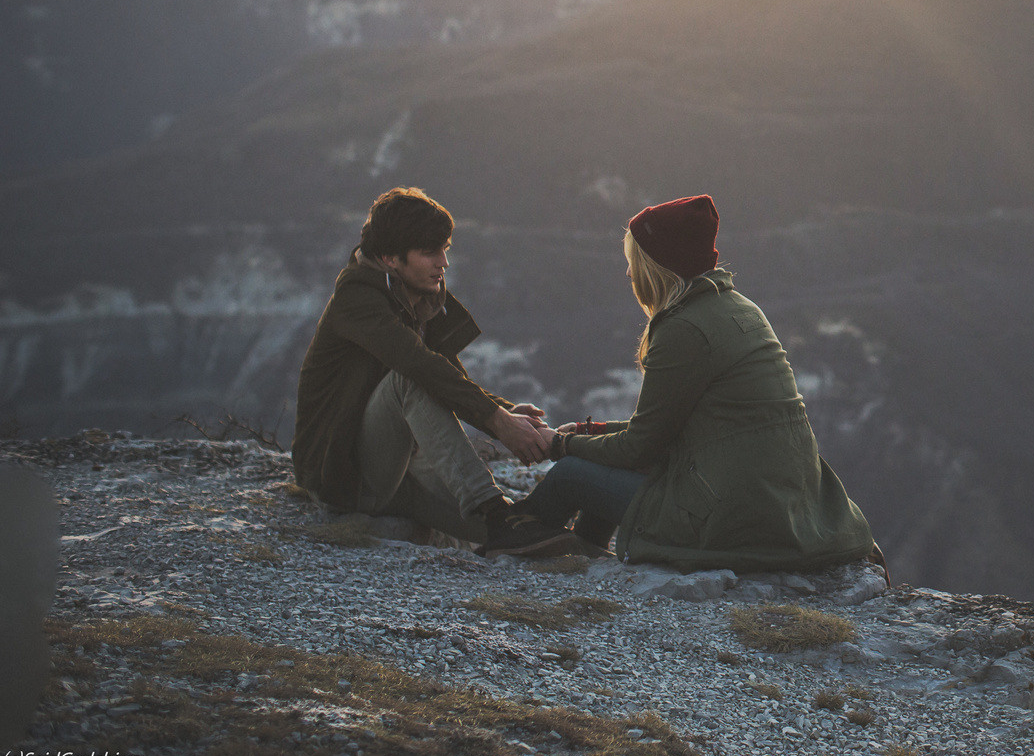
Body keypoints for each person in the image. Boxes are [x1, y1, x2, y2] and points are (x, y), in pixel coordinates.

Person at [518, 194, 878, 573]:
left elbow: (640, 450)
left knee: (570, 476)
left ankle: (509, 545)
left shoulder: (683, 329)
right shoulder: (739, 307)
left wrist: (561, 445)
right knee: (591, 465)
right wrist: (595, 432)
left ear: (659, 266)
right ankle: (587, 558)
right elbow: (668, 430)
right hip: (781, 506)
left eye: (634, 262)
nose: (628, 273)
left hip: (730, 517)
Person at [292, 186, 580, 557]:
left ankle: (511, 524)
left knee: (538, 539)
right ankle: (492, 510)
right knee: (408, 381)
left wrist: (505, 412)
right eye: (430, 252)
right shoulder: (359, 301)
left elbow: (447, 374)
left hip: (398, 466)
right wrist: (498, 423)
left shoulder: (412, 294)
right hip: (342, 477)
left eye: (445, 249)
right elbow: (421, 368)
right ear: (390, 257)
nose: (443, 262)